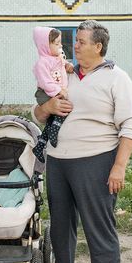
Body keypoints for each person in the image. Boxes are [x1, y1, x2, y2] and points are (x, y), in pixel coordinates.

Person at [32, 20, 132, 263]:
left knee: (98, 227)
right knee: (60, 227)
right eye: (75, 41)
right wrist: (48, 108)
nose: (74, 46)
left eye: (80, 41)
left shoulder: (117, 78)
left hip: (97, 160)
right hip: (58, 161)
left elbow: (130, 125)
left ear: (98, 46)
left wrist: (119, 167)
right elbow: (37, 114)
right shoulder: (61, 74)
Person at [31, 27, 73, 163]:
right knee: (63, 109)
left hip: (55, 91)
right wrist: (58, 91)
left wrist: (67, 65)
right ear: (46, 46)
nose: (60, 45)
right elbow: (45, 82)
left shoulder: (57, 57)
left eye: (60, 43)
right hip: (46, 93)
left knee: (51, 121)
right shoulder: (42, 63)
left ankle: (40, 145)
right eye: (56, 43)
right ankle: (54, 133)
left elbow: (62, 64)